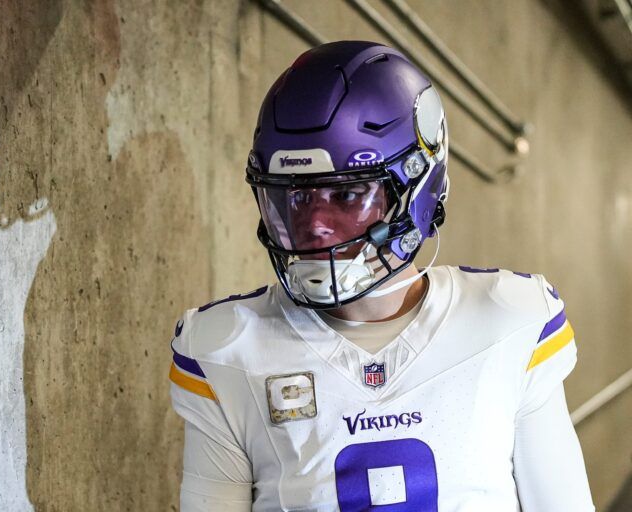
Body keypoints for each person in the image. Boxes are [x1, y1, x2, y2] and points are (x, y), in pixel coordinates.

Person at [169, 41, 594, 511]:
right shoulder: (226, 348)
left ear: (417, 185)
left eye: (347, 195)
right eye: (296, 198)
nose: (315, 226)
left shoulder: (511, 322)